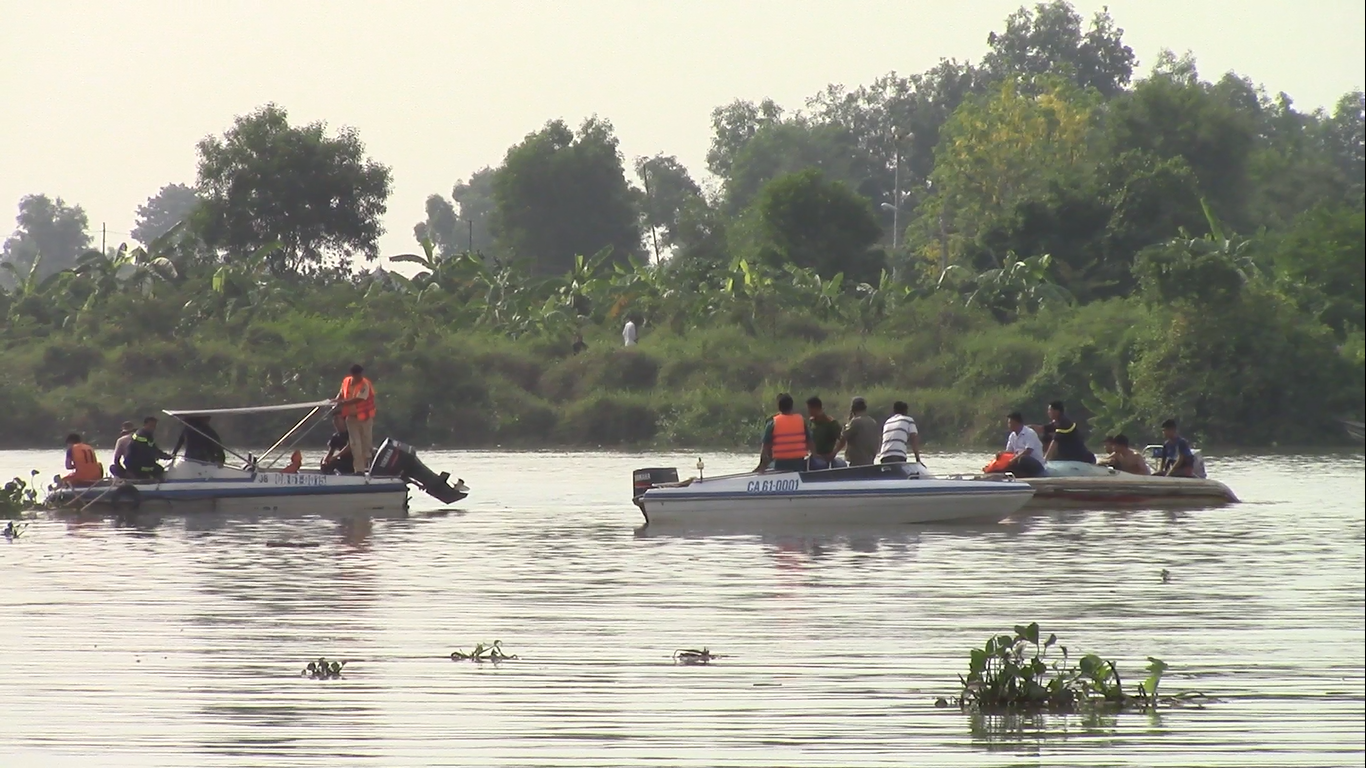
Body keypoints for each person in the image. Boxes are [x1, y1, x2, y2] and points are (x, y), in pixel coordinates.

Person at [755, 393, 813, 473]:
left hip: (780, 465)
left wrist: (762, 467)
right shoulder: (801, 421)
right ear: (792, 406)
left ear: (779, 407)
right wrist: (816, 458)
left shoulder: (772, 423)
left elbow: (765, 448)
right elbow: (810, 443)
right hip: (799, 463)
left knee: (768, 465)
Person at [335, 364, 376, 473]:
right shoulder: (346, 381)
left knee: (366, 444)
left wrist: (343, 402)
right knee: (355, 444)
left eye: (360, 375)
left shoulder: (365, 384)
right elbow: (341, 393)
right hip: (351, 418)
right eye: (357, 375)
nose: (359, 377)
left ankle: (371, 467)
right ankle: (359, 471)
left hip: (365, 419)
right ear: (353, 375)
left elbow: (359, 399)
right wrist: (336, 401)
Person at [834, 396, 881, 467]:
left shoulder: (855, 422)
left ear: (853, 409)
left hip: (857, 463)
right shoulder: (872, 422)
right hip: (870, 462)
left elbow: (843, 438)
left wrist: (833, 453)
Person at [124, 416, 172, 480]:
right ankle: (154, 483)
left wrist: (166, 455)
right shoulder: (140, 435)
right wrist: (161, 456)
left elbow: (154, 449)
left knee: (157, 468)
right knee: (158, 469)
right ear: (145, 425)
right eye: (151, 426)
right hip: (136, 464)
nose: (153, 428)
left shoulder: (148, 435)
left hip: (141, 463)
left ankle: (149, 479)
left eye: (154, 426)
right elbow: (146, 450)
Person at [805, 396, 846, 470]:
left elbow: (843, 439)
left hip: (825, 458)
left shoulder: (830, 423)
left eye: (809, 409)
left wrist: (834, 453)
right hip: (814, 457)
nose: (808, 411)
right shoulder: (812, 421)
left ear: (816, 408)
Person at [1003, 412, 1046, 478]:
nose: (1009, 425)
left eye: (1010, 423)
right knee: (1004, 461)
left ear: (1017, 423)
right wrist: (1001, 454)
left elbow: (1028, 451)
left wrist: (1014, 459)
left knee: (1023, 458)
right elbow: (1009, 452)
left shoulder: (1029, 433)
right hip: (1020, 462)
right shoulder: (1012, 436)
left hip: (1036, 465)